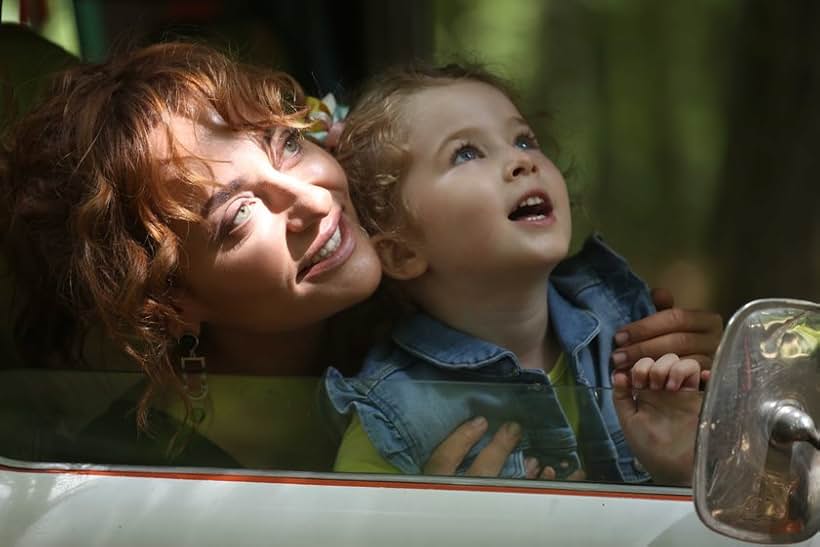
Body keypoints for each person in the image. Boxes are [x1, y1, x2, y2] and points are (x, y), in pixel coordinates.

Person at [0, 42, 720, 476]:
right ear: (169, 303)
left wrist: (684, 370)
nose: (314, 200)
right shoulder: (140, 477)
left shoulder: (464, 300)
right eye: (239, 215)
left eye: (286, 144)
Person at [325, 63, 712, 485]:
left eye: (524, 139)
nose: (521, 160)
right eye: (466, 153)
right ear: (401, 252)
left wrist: (686, 470)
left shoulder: (634, 337)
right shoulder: (389, 418)